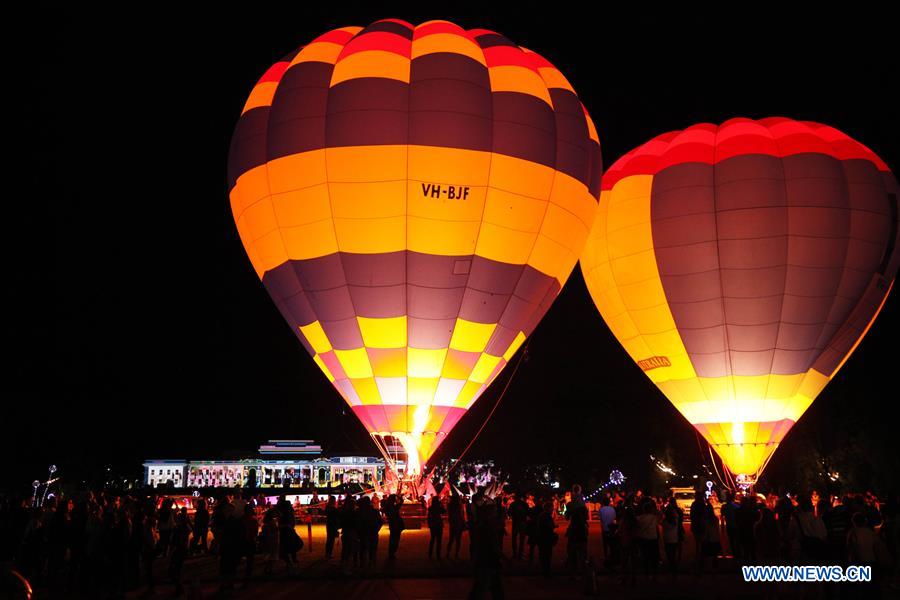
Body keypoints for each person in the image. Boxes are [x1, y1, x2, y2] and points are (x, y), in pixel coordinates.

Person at [635, 498, 662, 581]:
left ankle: (646, 574)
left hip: (644, 539)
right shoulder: (654, 518)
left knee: (645, 557)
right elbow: (660, 514)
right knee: (654, 558)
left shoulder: (639, 518)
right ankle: (654, 574)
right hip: (653, 539)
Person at [565, 485, 589, 575]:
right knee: (583, 554)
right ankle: (583, 574)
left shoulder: (570, 504)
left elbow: (567, 517)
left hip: (574, 529)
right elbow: (586, 517)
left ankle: (573, 573)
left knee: (572, 554)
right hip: (582, 529)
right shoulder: (583, 504)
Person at [168, 508, 191, 595]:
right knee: (178, 570)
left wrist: (171, 550)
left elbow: (174, 542)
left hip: (178, 551)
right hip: (182, 550)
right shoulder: (185, 528)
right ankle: (179, 587)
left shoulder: (178, 529)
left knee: (173, 570)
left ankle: (179, 588)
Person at [357, 495, 382, 569]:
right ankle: (371, 564)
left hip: (365, 533)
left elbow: (357, 522)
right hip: (371, 533)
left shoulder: (360, 512)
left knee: (363, 549)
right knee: (371, 550)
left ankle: (363, 565)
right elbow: (380, 522)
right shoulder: (373, 511)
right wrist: (376, 529)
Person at [662, 497, 682, 579]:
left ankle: (672, 568)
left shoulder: (665, 522)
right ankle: (675, 568)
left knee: (669, 554)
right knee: (674, 553)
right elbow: (678, 517)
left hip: (667, 539)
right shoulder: (675, 520)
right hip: (674, 538)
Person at [536, 501, 558, 577]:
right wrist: (554, 526)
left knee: (544, 555)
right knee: (546, 555)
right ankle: (546, 571)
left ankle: (544, 570)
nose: (552, 510)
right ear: (548, 508)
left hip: (542, 537)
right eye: (552, 508)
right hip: (545, 538)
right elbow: (548, 526)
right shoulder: (546, 516)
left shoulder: (542, 515)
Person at [340, 495, 360, 573]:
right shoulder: (354, 513)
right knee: (352, 549)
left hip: (346, 532)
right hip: (352, 532)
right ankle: (350, 565)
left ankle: (344, 563)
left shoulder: (345, 513)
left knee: (345, 549)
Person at [141, 515, 159, 593]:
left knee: (149, 569)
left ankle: (151, 587)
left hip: (148, 551)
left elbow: (151, 542)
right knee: (149, 568)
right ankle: (151, 586)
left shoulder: (149, 531)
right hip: (150, 551)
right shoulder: (151, 530)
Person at [259, 508, 279, 576]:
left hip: (269, 540)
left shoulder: (266, 522)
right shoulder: (270, 522)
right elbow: (273, 531)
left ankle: (268, 568)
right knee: (271, 554)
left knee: (269, 554)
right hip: (271, 540)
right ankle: (269, 569)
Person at [508, 493, 528, 560]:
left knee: (514, 538)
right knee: (521, 539)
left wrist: (513, 516)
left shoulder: (513, 504)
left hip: (516, 523)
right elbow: (528, 512)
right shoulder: (524, 504)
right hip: (522, 522)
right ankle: (520, 554)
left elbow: (509, 512)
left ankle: (515, 554)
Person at [384, 494, 404, 559]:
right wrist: (399, 497)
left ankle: (391, 552)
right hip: (396, 524)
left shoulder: (389, 506)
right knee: (395, 539)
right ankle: (392, 552)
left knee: (393, 538)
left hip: (392, 524)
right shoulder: (393, 507)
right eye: (394, 498)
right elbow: (401, 503)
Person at [447, 493, 466, 559]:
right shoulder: (459, 506)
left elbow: (449, 514)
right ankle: (456, 554)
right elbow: (461, 515)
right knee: (458, 540)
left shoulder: (450, 505)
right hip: (458, 523)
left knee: (451, 539)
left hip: (453, 523)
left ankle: (448, 553)